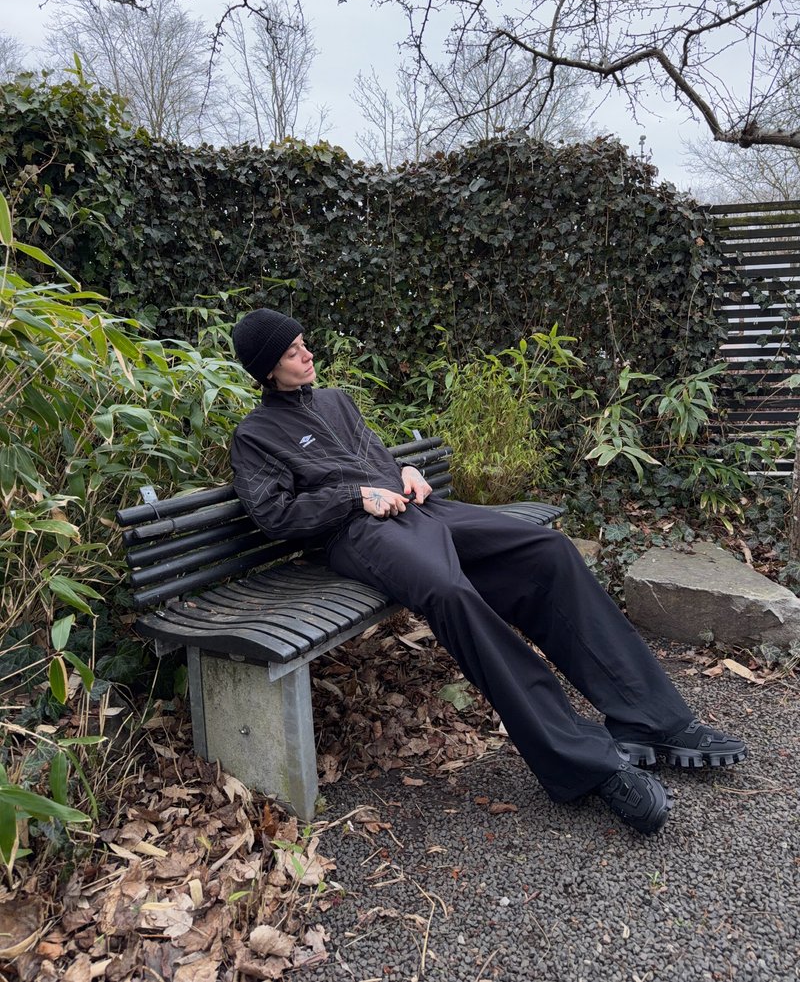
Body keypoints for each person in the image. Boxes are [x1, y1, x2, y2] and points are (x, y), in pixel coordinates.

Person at [229, 308, 747, 836]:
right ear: (268, 369)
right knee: (452, 594)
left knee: (547, 551)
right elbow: (275, 515)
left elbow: (375, 457)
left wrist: (406, 471)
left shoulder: (336, 401)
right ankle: (585, 763)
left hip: (419, 513)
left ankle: (650, 718)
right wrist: (355, 496)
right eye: (293, 352)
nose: (307, 354)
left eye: (303, 342)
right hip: (357, 535)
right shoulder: (256, 434)